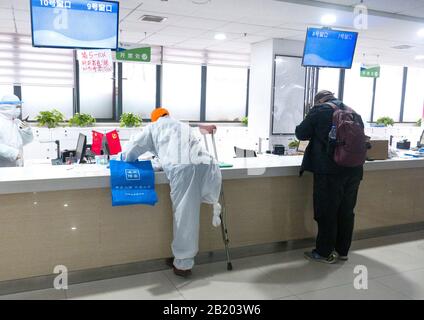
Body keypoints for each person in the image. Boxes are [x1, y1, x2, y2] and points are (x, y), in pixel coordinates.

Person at [122, 108, 222, 277]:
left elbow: (131, 151)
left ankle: (183, 264)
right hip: (206, 166)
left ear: (154, 119)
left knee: (185, 216)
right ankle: (181, 258)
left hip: (185, 170)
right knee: (187, 214)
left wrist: (124, 157)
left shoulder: (154, 127)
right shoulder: (182, 125)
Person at [295, 90, 364, 264]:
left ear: (318, 100)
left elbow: (301, 133)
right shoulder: (353, 111)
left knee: (327, 212)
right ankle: (342, 251)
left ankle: (323, 252)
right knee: (346, 212)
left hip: (329, 171)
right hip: (354, 170)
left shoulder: (319, 110)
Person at [0, 94, 34, 167]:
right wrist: (13, 153)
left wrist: (27, 132)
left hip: (17, 165)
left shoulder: (16, 122)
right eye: (17, 107)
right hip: (3, 166)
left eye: (20, 107)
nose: (19, 110)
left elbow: (25, 141)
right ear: (7, 107)